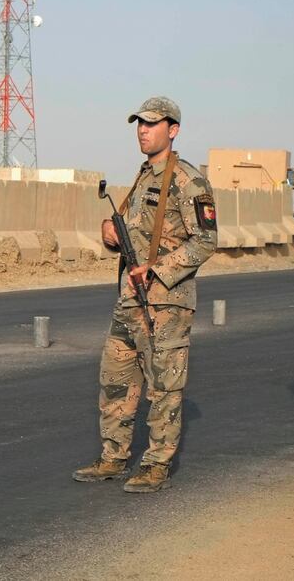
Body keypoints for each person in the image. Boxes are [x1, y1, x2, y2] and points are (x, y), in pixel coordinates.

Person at [72, 96, 217, 493]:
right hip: (130, 299)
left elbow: (205, 241)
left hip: (166, 302)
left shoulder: (189, 181)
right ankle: (114, 457)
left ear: (173, 130)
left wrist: (157, 271)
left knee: (164, 385)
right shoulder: (142, 177)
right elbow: (132, 235)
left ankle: (156, 464)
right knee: (116, 378)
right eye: (140, 123)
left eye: (152, 124)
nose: (143, 130)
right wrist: (110, 235)